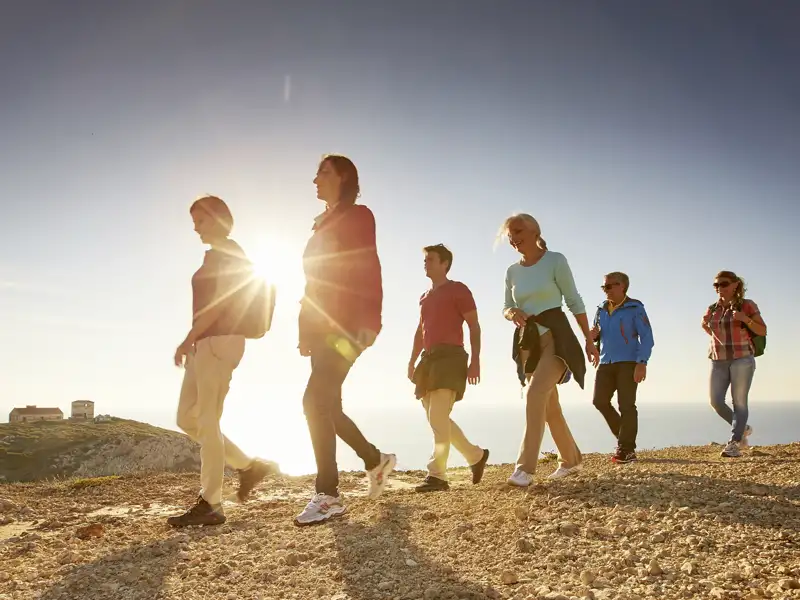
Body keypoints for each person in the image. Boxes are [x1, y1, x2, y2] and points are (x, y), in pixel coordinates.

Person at [295, 155, 396, 526]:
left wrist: (373, 319)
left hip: (348, 327)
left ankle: (328, 495)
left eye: (323, 172)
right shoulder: (320, 227)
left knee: (313, 400)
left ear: (343, 178)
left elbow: (369, 264)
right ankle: (375, 460)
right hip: (322, 329)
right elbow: (312, 284)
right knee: (328, 407)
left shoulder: (359, 216)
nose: (315, 179)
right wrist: (304, 330)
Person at [168, 195, 278, 528]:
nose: (195, 227)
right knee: (187, 417)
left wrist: (189, 338)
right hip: (205, 344)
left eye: (200, 220)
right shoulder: (215, 255)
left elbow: (218, 305)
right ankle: (248, 466)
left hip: (218, 342)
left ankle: (211, 503)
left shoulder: (229, 254)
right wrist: (193, 342)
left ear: (217, 218)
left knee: (207, 419)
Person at [501, 213, 598, 487]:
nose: (513, 238)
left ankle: (525, 469)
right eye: (509, 235)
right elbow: (506, 305)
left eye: (518, 231)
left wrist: (589, 340)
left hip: (557, 339)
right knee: (549, 406)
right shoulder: (512, 271)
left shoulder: (555, 260)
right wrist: (512, 313)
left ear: (534, 231)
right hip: (528, 342)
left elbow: (574, 301)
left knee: (534, 394)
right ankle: (571, 460)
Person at [407, 244, 490, 492]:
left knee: (437, 417)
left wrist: (475, 360)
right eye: (425, 259)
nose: (426, 263)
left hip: (451, 358)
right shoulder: (424, 296)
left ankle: (438, 476)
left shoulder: (458, 289)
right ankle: (476, 456)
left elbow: (474, 326)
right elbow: (420, 332)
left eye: (430, 259)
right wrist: (411, 360)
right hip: (429, 360)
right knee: (437, 419)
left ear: (444, 264)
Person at [589, 272, 654, 464]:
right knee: (599, 401)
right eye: (604, 287)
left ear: (622, 286)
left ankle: (626, 449)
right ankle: (625, 439)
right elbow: (597, 334)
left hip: (628, 362)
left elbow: (647, 337)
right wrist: (594, 337)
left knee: (626, 405)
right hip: (606, 362)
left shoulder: (635, 308)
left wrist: (642, 363)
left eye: (609, 286)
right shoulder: (600, 309)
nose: (606, 290)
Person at [702, 270, 767, 458]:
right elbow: (714, 330)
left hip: (742, 358)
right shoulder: (713, 308)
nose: (719, 288)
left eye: (723, 284)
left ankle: (735, 442)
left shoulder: (747, 305)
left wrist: (745, 319)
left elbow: (762, 330)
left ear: (735, 285)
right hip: (718, 359)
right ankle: (743, 428)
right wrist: (705, 326)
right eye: (716, 285)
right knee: (715, 401)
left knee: (739, 402)